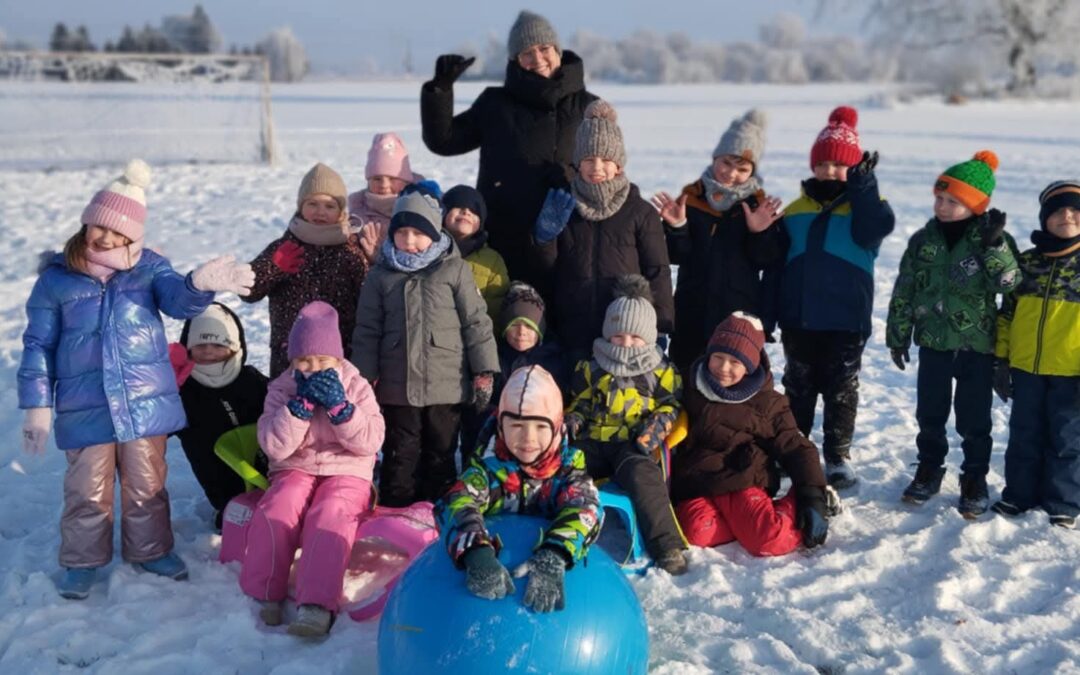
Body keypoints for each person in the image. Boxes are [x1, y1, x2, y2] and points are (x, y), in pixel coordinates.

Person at [18, 159, 254, 600]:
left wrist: (199, 284)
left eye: (118, 232)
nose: (106, 238)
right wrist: (36, 406)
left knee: (147, 483)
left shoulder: (149, 269)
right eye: (99, 228)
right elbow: (37, 345)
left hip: (144, 403)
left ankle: (150, 550)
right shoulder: (57, 281)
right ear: (86, 223)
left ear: (135, 236)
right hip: (85, 405)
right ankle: (82, 561)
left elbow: (178, 301)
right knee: (87, 489)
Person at [762, 106, 896, 489]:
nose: (830, 172)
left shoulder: (863, 212)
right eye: (824, 164)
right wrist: (769, 317)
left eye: (841, 166)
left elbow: (881, 225)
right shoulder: (794, 211)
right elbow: (777, 268)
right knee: (798, 389)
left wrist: (863, 186)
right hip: (799, 320)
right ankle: (795, 449)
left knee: (841, 391)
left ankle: (838, 455)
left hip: (845, 321)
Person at [420, 10, 598, 290]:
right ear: (515, 60)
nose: (537, 59)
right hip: (503, 234)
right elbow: (444, 140)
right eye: (527, 53)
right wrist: (439, 91)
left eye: (544, 48)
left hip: (566, 234)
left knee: (561, 319)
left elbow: (607, 167)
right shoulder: (495, 104)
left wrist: (570, 175)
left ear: (558, 51)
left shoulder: (588, 106)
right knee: (503, 319)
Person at [886, 151, 1020, 517]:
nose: (942, 206)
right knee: (930, 412)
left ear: (976, 205)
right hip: (934, 343)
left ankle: (974, 476)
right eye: (939, 198)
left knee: (974, 417)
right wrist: (898, 333)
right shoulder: (922, 240)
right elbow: (905, 289)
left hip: (976, 346)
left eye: (953, 201)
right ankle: (929, 468)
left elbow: (1009, 282)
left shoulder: (993, 239)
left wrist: (993, 247)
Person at [240, 301, 385, 637]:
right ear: (293, 360)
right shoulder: (281, 389)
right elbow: (274, 446)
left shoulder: (356, 386)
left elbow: (370, 442)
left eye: (323, 360)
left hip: (347, 468)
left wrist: (342, 409)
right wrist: (297, 410)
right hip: (295, 465)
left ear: (338, 358)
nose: (314, 368)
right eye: (305, 361)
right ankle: (264, 593)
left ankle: (316, 605)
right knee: (280, 505)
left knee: (331, 513)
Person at [352, 183, 499, 507]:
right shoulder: (380, 275)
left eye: (418, 233)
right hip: (396, 385)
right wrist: (365, 376)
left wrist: (484, 370)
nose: (409, 241)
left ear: (434, 232)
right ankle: (395, 511)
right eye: (401, 233)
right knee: (400, 454)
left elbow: (476, 320)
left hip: (445, 385)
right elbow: (367, 329)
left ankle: (440, 513)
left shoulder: (454, 269)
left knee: (441, 453)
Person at [436, 365, 602, 613]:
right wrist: (475, 551)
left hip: (552, 560)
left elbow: (586, 508)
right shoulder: (487, 469)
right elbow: (456, 501)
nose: (527, 439)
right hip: (486, 576)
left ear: (556, 428)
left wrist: (556, 552)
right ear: (501, 427)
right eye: (516, 426)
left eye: (540, 427)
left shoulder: (567, 472)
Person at [671, 313, 836, 556]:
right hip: (698, 482)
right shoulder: (687, 384)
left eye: (735, 362)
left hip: (742, 478)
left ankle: (796, 502)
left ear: (749, 366)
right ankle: (743, 524)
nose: (723, 368)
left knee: (767, 540)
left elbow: (795, 446)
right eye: (718, 357)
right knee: (694, 533)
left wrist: (812, 492)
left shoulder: (767, 403)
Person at [533, 99, 674, 366]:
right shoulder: (565, 206)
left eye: (606, 159)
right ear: (578, 163)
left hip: (624, 332)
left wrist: (661, 323)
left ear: (618, 164)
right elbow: (548, 270)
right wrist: (544, 238)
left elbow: (658, 270)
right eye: (589, 159)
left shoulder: (640, 212)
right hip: (572, 327)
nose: (597, 167)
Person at [565, 276, 687, 574]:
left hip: (631, 444)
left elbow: (671, 406)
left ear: (649, 337)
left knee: (644, 476)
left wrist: (654, 431)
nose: (626, 344)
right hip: (593, 441)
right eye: (619, 336)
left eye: (635, 338)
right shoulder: (592, 365)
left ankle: (666, 544)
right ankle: (555, 529)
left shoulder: (660, 370)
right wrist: (575, 419)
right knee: (564, 466)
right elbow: (579, 402)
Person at [653, 109, 787, 374]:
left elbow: (768, 259)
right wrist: (677, 227)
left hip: (737, 316)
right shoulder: (692, 199)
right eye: (726, 163)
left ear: (752, 171)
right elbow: (675, 255)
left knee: (730, 379)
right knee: (687, 377)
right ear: (716, 158)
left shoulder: (759, 206)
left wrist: (759, 232)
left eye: (742, 168)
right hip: (693, 311)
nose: (731, 173)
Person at [991, 180, 1080, 529]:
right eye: (1057, 211)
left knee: (1067, 437)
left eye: (1074, 210)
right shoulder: (1026, 264)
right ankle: (1018, 495)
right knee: (1024, 433)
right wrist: (1000, 358)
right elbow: (1006, 312)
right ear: (1044, 218)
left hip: (1071, 370)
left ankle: (1063, 501)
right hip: (1026, 366)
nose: (1067, 216)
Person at [245, 163, 368, 377]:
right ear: (300, 206)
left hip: (339, 356)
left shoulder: (351, 251)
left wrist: (372, 260)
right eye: (313, 204)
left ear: (341, 211)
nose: (320, 212)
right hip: (289, 357)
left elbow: (369, 299)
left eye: (329, 206)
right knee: (287, 409)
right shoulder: (284, 247)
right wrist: (272, 267)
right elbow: (248, 291)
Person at [169, 302, 269, 530]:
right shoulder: (183, 390)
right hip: (223, 491)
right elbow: (157, 429)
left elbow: (281, 408)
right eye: (200, 344)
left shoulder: (251, 380)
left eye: (217, 343)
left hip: (269, 474)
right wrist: (162, 392)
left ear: (235, 347)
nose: (208, 351)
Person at [348, 132, 420, 264]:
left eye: (392, 179)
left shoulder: (423, 209)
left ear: (406, 180)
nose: (384, 185)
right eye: (377, 178)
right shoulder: (357, 217)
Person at [442, 184, 509, 322]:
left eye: (474, 211)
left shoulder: (492, 260)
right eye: (459, 207)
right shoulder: (429, 251)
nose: (466, 212)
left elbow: (497, 306)